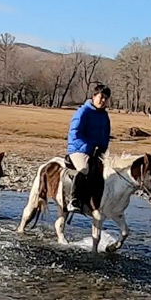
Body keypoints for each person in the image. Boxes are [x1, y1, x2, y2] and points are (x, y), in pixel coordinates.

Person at [66, 83, 112, 212]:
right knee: (84, 169)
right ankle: (73, 200)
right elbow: (74, 133)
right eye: (101, 97)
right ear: (94, 96)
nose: (103, 100)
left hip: (97, 150)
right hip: (78, 149)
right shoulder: (83, 112)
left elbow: (106, 135)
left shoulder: (104, 116)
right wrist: (89, 147)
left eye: (106, 98)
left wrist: (103, 149)